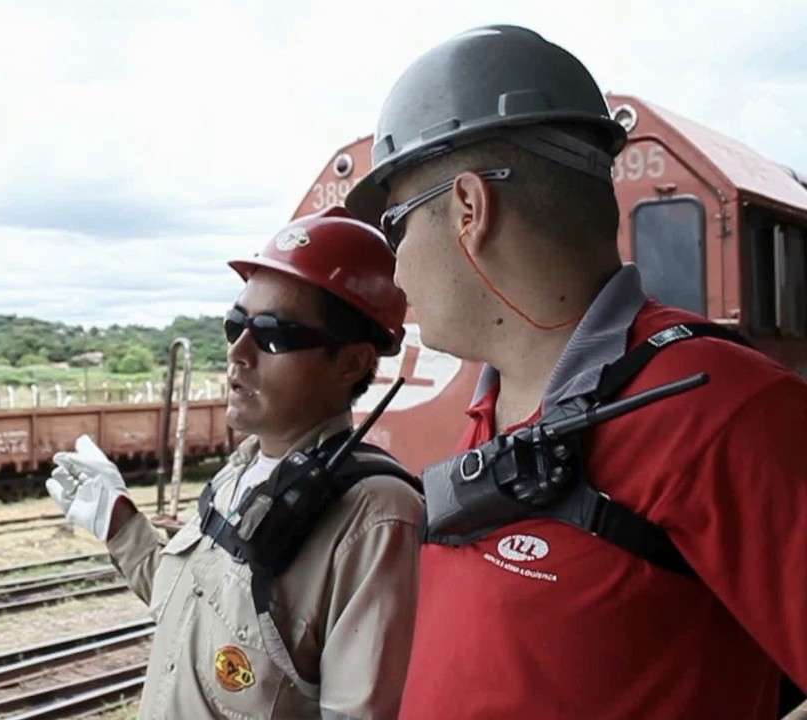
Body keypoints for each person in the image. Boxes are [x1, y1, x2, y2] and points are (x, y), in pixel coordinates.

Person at [343, 24, 807, 720]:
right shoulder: (494, 411)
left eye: (397, 226)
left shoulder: (726, 413)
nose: (394, 265)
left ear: (470, 209)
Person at [46, 206, 425, 719]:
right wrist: (119, 524)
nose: (238, 352)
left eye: (273, 334)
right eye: (235, 325)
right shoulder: (239, 472)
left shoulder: (374, 518)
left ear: (353, 363)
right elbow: (192, 606)